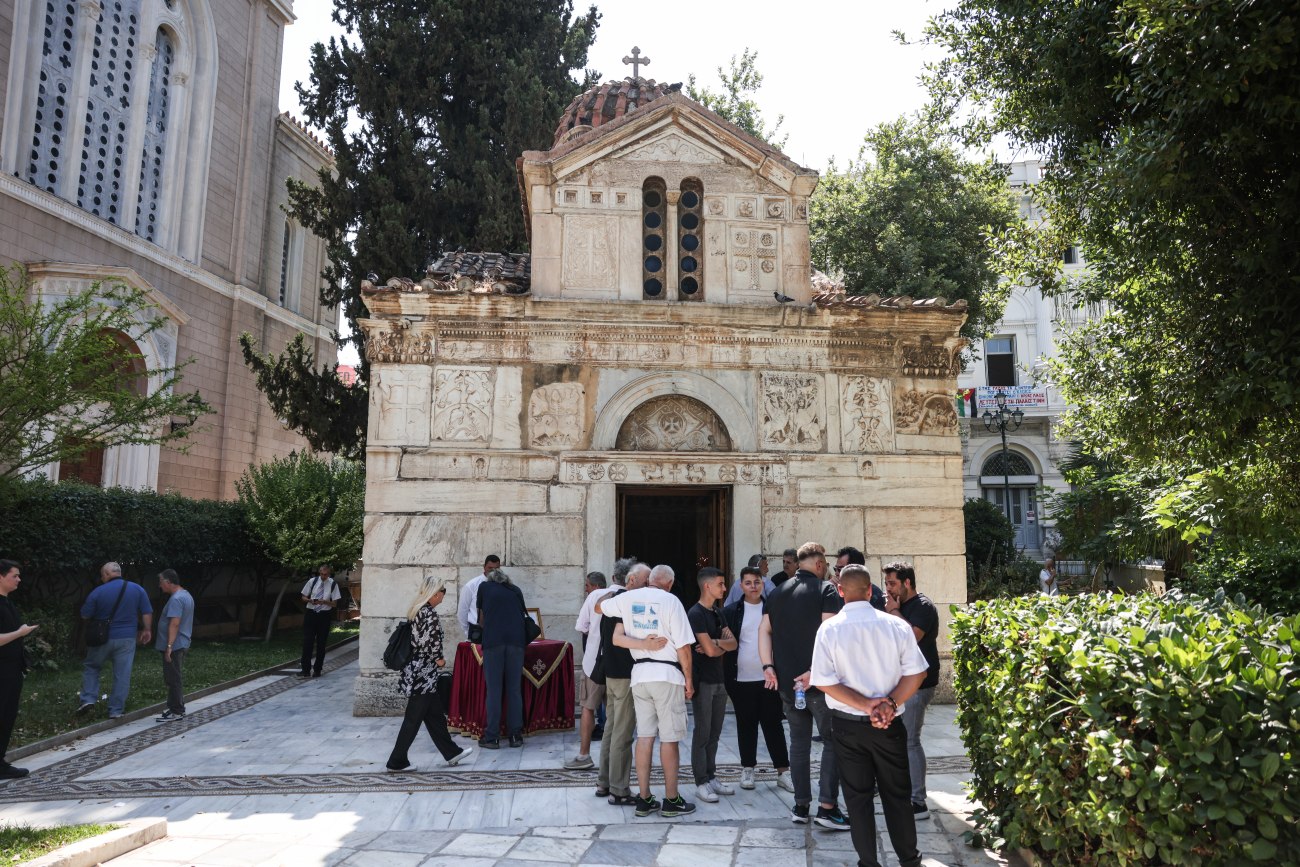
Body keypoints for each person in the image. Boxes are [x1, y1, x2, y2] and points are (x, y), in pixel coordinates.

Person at [811, 564, 929, 867]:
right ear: (869, 591)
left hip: (848, 727)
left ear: (840, 591)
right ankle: (910, 860)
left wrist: (866, 706)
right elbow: (917, 673)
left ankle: (868, 862)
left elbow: (823, 681)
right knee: (898, 796)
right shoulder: (896, 625)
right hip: (889, 724)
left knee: (857, 799)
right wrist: (888, 704)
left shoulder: (829, 629)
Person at [759, 541, 850, 830]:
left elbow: (764, 630)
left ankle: (800, 806)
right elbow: (830, 635)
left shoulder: (777, 592)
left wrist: (768, 666)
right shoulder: (826, 590)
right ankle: (827, 807)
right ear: (820, 564)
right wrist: (814, 671)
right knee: (832, 742)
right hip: (820, 684)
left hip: (787, 683)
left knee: (798, 744)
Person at [599, 564, 696, 818]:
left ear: (649, 580)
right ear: (670, 583)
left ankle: (644, 799)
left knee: (644, 737)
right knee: (669, 738)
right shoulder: (671, 601)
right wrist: (689, 679)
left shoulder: (627, 598)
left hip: (639, 675)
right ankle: (672, 799)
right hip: (666, 675)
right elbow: (684, 647)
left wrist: (620, 592)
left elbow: (599, 608)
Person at [386, 577, 473, 771]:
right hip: (423, 674)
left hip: (419, 672)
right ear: (435, 593)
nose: (444, 595)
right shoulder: (429, 613)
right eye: (443, 591)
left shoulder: (418, 610)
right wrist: (439, 659)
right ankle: (396, 761)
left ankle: (452, 752)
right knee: (413, 719)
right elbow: (429, 642)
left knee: (435, 716)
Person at [723, 566, 792, 793]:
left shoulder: (773, 608)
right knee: (746, 724)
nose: (753, 587)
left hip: (769, 678)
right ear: (741, 585)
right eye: (748, 583)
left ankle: (783, 771)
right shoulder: (731, 611)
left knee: (773, 724)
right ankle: (747, 769)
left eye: (757, 582)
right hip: (741, 678)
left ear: (763, 584)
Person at [882, 562, 940, 820]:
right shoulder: (894, 605)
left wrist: (894, 612)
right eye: (886, 583)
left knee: (910, 740)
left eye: (893, 583)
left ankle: (918, 802)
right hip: (899, 684)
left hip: (919, 684)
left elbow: (911, 638)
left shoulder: (923, 606)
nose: (888, 588)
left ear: (907, 582)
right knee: (898, 740)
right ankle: (903, 791)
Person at [594, 559, 649, 804]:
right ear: (632, 580)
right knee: (622, 733)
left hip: (612, 672)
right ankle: (619, 789)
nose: (648, 586)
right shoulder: (627, 601)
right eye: (645, 582)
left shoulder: (613, 600)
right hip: (625, 673)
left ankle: (604, 782)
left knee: (612, 728)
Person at [78, 561, 153, 718]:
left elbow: (85, 615)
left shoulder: (98, 592)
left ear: (106, 574)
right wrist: (147, 630)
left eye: (102, 576)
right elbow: (147, 612)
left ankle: (88, 699)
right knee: (122, 674)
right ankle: (116, 710)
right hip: (127, 638)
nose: (102, 579)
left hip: (101, 638)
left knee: (92, 666)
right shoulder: (137, 589)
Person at [688, 567, 737, 803]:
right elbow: (707, 650)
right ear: (707, 586)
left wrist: (716, 642)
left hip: (720, 679)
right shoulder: (695, 613)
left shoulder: (718, 612)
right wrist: (718, 646)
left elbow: (733, 643)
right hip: (703, 681)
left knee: (715, 733)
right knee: (703, 732)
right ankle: (701, 781)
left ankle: (711, 776)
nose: (724, 588)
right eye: (720, 584)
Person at [476, 568, 528, 749]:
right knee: (514, 690)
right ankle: (515, 736)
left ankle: (492, 737)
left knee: (494, 690)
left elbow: (481, 618)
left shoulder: (484, 587)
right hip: (516, 643)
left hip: (493, 643)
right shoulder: (516, 590)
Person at [566, 570, 608, 770]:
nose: (586, 589)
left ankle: (584, 755)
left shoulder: (594, 597)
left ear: (596, 586)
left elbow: (581, 626)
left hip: (594, 662)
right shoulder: (625, 596)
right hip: (618, 662)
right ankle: (613, 760)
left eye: (587, 585)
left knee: (588, 707)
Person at [0, 560, 37, 779]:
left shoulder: (7, 603)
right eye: (14, 575)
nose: (19, 579)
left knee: (7, 715)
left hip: (12, 670)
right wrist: (20, 633)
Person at [154, 569, 195, 723]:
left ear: (168, 582)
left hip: (175, 645)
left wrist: (169, 646)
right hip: (181, 642)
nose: (159, 586)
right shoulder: (185, 595)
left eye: (161, 582)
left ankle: (177, 711)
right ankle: (174, 707)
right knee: (173, 676)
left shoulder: (176, 599)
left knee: (173, 678)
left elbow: (174, 623)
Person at [300, 565, 340, 677]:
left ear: (329, 574)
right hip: (311, 613)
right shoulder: (312, 581)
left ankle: (317, 669)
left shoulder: (333, 584)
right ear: (319, 572)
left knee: (321, 643)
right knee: (307, 641)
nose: (323, 576)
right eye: (321, 574)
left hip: (324, 615)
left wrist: (324, 602)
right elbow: (303, 597)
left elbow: (334, 604)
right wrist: (310, 600)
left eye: (325, 574)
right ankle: (305, 670)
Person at [457, 554, 501, 640]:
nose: (493, 571)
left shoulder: (503, 586)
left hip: (497, 632)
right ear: (484, 567)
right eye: (490, 568)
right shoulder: (471, 585)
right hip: (477, 632)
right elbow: (462, 611)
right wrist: (468, 631)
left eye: (496, 569)